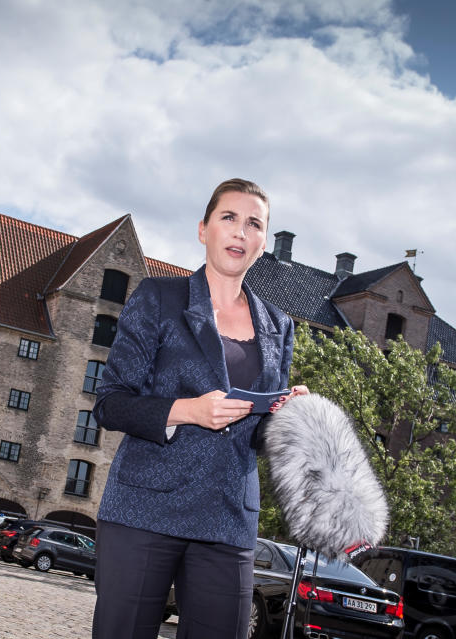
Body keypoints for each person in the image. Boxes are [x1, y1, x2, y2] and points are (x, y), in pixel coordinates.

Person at [91, 178, 308, 639]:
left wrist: (288, 420)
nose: (240, 232)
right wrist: (187, 411)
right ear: (203, 229)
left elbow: (258, 439)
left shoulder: (280, 326)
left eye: (254, 224)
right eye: (229, 218)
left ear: (262, 243)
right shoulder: (158, 298)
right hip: (144, 508)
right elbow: (111, 404)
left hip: (228, 518)